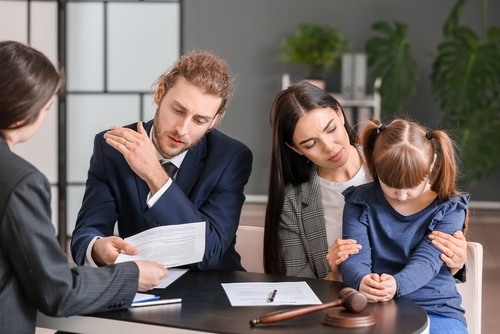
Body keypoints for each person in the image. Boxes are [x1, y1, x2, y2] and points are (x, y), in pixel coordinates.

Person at [0, 41, 167, 334]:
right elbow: (57, 292)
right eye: (46, 108)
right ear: (21, 114)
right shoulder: (21, 183)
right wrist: (132, 276)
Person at [263, 81, 467, 282]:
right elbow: (296, 285)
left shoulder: (390, 160)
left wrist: (456, 263)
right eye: (310, 144)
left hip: (413, 301)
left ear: (340, 113)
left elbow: (431, 249)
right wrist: (334, 275)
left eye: (331, 129)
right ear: (295, 148)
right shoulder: (293, 201)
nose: (329, 147)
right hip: (337, 307)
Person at [71, 50, 253, 271]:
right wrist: (98, 249)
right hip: (141, 285)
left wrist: (154, 175)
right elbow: (86, 233)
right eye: (178, 110)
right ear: (160, 93)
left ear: (213, 121)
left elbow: (211, 252)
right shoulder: (112, 148)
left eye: (200, 120)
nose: (182, 130)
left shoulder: (230, 158)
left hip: (213, 288)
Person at [340, 119, 468, 333]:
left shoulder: (449, 208)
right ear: (376, 164)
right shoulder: (359, 201)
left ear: (431, 163)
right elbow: (354, 255)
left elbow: (427, 260)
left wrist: (397, 284)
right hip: (374, 307)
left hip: (436, 309)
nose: (401, 195)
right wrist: (361, 279)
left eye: (411, 186)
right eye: (390, 185)